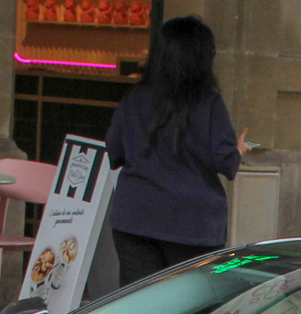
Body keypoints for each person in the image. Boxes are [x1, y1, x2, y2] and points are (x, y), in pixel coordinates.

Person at [104, 16, 245, 286]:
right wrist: (238, 149)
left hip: (136, 217)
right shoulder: (209, 103)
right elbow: (226, 163)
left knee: (139, 308)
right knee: (189, 310)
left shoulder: (134, 98)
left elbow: (115, 151)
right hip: (193, 225)